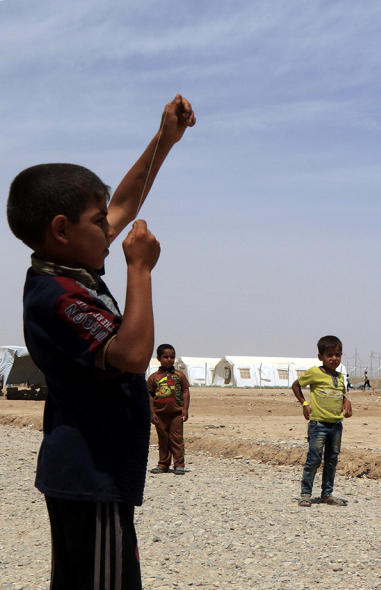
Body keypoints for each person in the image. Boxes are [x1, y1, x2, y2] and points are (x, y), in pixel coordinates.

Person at [7, 94, 195, 589]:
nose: (109, 230)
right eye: (97, 223)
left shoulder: (68, 263)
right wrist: (140, 270)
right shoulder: (57, 296)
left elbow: (124, 205)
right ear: (62, 229)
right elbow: (133, 356)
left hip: (84, 474)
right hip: (92, 476)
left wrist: (164, 140)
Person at [292, 335, 353, 507]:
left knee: (332, 459)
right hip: (318, 424)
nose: (334, 359)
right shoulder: (314, 373)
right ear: (320, 357)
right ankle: (306, 494)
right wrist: (304, 404)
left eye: (338, 355)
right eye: (330, 355)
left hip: (336, 425)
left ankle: (327, 494)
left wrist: (347, 403)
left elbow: (340, 394)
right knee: (314, 459)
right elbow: (296, 385)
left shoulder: (340, 377)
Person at [147, 344, 190, 475]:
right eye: (165, 357)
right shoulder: (153, 377)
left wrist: (185, 409)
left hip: (176, 414)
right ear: (159, 358)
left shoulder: (179, 375)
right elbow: (149, 395)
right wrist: (152, 413)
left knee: (176, 439)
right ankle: (163, 464)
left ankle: (179, 464)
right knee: (163, 439)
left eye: (172, 357)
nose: (169, 359)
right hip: (159, 415)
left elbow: (185, 391)